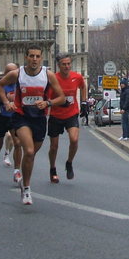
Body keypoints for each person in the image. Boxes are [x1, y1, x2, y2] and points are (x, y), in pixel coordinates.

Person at [0, 44, 65, 205]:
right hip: (22, 117)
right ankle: (27, 189)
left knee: (30, 155)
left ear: (41, 58)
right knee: (30, 151)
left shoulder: (48, 75)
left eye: (37, 56)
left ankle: (23, 180)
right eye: (31, 56)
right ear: (26, 57)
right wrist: (6, 102)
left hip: (39, 119)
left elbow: (61, 97)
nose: (34, 59)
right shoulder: (17, 74)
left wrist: (47, 103)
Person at [47, 53, 87, 182]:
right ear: (58, 65)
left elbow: (83, 86)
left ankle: (69, 162)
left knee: (74, 139)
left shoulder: (77, 77)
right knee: (54, 146)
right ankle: (52, 168)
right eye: (64, 64)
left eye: (69, 64)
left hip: (71, 113)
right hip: (56, 115)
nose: (67, 66)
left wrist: (84, 102)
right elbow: (48, 98)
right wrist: (59, 101)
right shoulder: (54, 79)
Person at [0, 63, 23, 184]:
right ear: (5, 74)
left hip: (14, 117)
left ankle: (16, 171)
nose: (13, 76)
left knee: (18, 143)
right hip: (1, 117)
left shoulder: (20, 83)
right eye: (10, 73)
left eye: (15, 73)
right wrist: (5, 99)